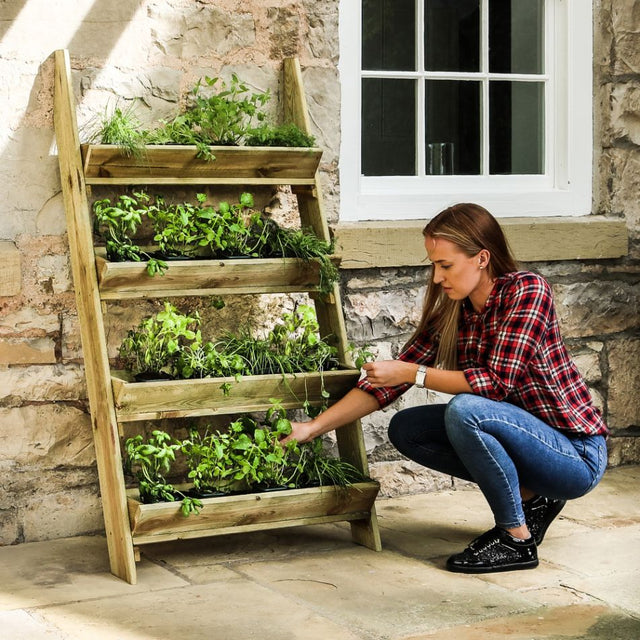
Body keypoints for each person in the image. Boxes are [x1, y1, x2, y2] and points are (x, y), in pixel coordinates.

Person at [282, 203, 609, 574]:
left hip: (574, 455)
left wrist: (411, 372)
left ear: (482, 258)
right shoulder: (454, 312)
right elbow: (384, 386)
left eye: (446, 265)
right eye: (434, 265)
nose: (437, 277)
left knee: (467, 410)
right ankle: (532, 498)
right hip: (526, 443)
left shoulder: (528, 291)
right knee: (408, 428)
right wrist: (312, 428)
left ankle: (515, 539)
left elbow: (496, 383)